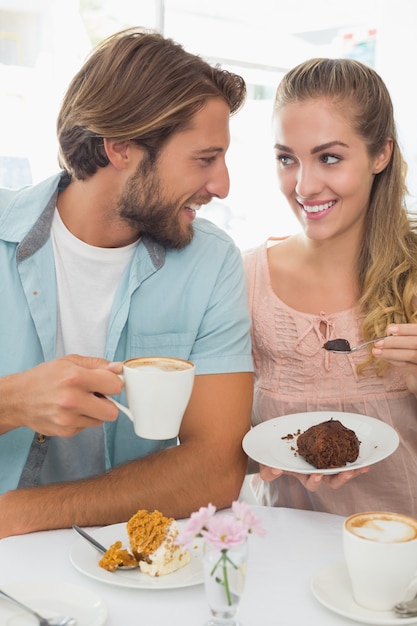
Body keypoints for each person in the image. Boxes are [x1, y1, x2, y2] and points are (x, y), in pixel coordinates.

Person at [0, 27, 254, 538]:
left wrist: (22, 514)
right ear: (120, 149)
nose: (222, 185)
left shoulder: (211, 263)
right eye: (204, 159)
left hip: (127, 562)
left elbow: (215, 467)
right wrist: (11, 402)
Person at [244, 57, 417, 517]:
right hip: (282, 563)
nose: (304, 185)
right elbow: (221, 450)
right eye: (287, 159)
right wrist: (264, 459)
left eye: (330, 158)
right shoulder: (243, 281)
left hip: (403, 562)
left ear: (380, 154)